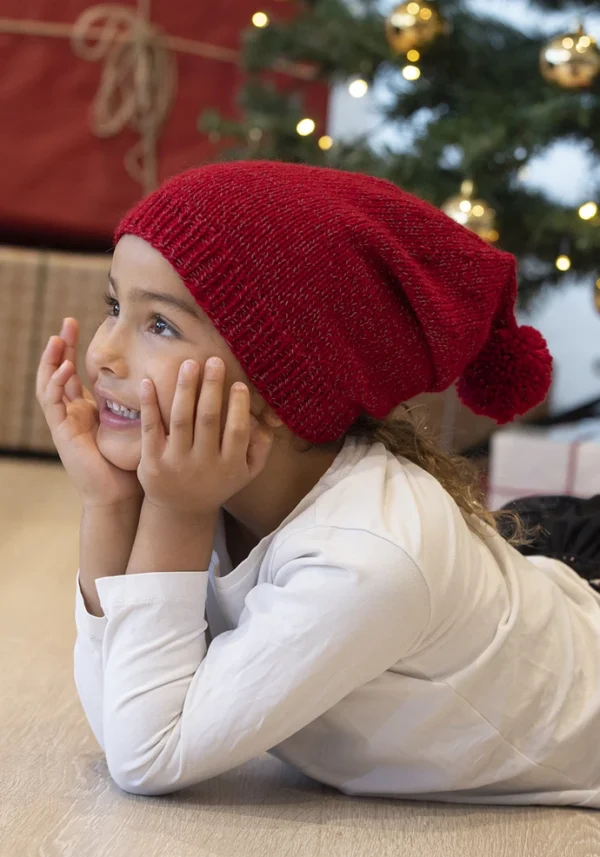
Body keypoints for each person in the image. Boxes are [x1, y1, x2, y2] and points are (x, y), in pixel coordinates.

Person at [36, 161, 600, 807]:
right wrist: (108, 501)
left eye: (158, 324)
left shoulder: (366, 559)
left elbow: (147, 754)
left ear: (279, 387)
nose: (103, 352)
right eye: (114, 306)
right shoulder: (215, 479)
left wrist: (174, 513)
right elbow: (120, 718)